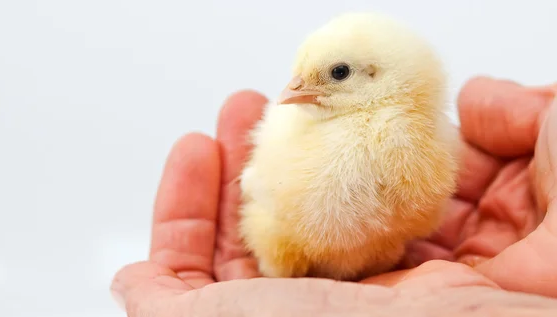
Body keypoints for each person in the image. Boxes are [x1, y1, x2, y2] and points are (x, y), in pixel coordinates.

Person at [111, 77, 557, 316]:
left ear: (378, 75)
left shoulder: (419, 140)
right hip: (293, 253)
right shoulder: (295, 139)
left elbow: (419, 213)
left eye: (337, 74)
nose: (297, 88)